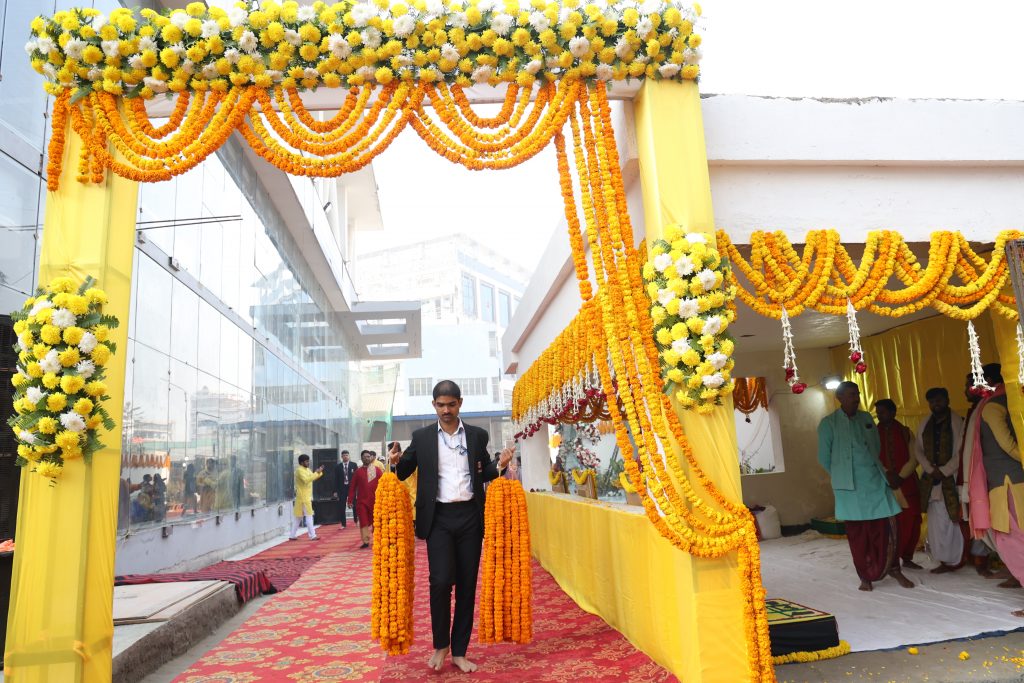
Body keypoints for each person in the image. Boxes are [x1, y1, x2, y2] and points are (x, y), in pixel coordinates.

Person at [390, 380, 513, 673]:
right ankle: (440, 645)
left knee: (467, 586)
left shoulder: (477, 435)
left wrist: (502, 466)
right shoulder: (421, 438)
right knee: (441, 581)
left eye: (451, 404)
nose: (446, 410)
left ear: (460, 403)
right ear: (434, 405)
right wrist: (394, 462)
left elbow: (486, 471)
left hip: (471, 516)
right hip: (439, 519)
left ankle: (460, 651)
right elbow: (402, 471)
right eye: (441, 405)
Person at [818, 381, 913, 591]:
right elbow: (824, 458)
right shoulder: (829, 423)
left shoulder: (866, 418)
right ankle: (865, 576)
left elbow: (875, 447)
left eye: (858, 393)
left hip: (875, 481)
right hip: (850, 488)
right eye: (851, 394)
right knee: (859, 535)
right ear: (839, 398)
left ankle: (894, 569)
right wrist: (843, 474)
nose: (856, 397)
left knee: (887, 528)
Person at [967, 364, 1024, 614]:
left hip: (1007, 484)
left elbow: (1011, 446)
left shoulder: (992, 407)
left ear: (987, 381)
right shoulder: (1011, 399)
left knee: (1012, 539)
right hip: (1013, 482)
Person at [913, 387, 965, 573]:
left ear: (947, 399)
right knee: (936, 522)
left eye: (940, 400)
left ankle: (956, 559)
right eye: (932, 401)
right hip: (931, 480)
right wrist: (929, 469)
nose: (936, 403)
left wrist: (944, 470)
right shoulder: (925, 423)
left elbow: (962, 451)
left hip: (950, 478)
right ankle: (943, 559)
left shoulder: (957, 421)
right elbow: (918, 449)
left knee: (952, 521)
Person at [957, 371, 1000, 578]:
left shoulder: (992, 406)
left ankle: (1011, 567)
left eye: (969, 385)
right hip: (972, 476)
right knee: (978, 519)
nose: (965, 390)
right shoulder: (975, 409)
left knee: (994, 520)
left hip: (990, 477)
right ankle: (980, 561)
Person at [874, 399, 923, 570]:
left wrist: (901, 476)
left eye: (883, 412)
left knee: (913, 522)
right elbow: (873, 458)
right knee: (890, 524)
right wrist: (887, 473)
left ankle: (907, 557)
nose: (880, 416)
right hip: (884, 485)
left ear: (893, 412)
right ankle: (889, 559)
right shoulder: (872, 433)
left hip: (907, 484)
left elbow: (915, 457)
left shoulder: (905, 432)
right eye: (878, 412)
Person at [348, 450, 381, 549]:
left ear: (371, 458)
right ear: (362, 458)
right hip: (362, 502)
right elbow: (352, 487)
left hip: (375, 501)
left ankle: (378, 539)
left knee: (376, 521)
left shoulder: (376, 470)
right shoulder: (358, 472)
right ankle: (366, 541)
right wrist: (350, 500)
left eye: (368, 456)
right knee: (363, 521)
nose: (367, 458)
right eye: (365, 456)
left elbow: (383, 483)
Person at [289, 454, 324, 541]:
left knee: (298, 517)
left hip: (305, 497)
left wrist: (318, 472)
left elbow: (312, 477)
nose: (308, 463)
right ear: (301, 462)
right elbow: (306, 480)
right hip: (303, 497)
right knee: (309, 515)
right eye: (306, 461)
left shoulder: (307, 469)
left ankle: (292, 535)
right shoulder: (299, 471)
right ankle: (312, 535)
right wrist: (316, 473)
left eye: (308, 461)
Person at [333, 450, 357, 528]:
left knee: (354, 505)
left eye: (347, 455)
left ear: (349, 456)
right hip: (342, 488)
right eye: (344, 455)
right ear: (341, 457)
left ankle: (356, 521)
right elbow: (335, 479)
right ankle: (343, 524)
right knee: (342, 506)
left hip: (352, 488)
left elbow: (357, 477)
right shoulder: (338, 467)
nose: (345, 456)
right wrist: (335, 491)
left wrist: (357, 488)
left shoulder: (354, 465)